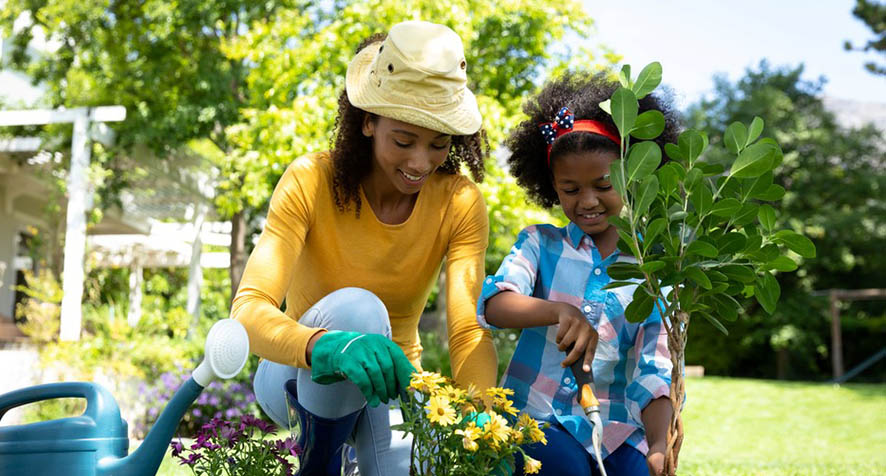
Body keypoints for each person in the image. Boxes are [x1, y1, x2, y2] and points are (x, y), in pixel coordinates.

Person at [230, 20, 498, 476]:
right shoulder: (310, 181)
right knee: (359, 310)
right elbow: (248, 311)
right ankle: (320, 463)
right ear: (368, 121)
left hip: (394, 385)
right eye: (403, 140)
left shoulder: (460, 202)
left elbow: (467, 331)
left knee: (401, 470)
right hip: (298, 372)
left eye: (438, 145)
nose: (420, 163)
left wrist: (484, 417)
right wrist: (328, 348)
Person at [476, 71, 678, 476]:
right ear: (551, 186)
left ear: (631, 178)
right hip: (539, 418)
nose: (587, 201)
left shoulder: (654, 269)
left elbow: (653, 370)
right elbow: (494, 302)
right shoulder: (539, 243)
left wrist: (659, 442)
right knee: (564, 469)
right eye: (570, 190)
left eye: (603, 186)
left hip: (621, 426)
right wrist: (557, 312)